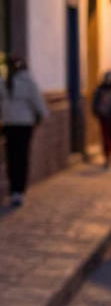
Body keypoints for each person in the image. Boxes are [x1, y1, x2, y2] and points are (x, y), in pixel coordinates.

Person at [0, 55, 48, 207]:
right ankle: (19, 190)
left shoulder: (4, 82)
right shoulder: (28, 82)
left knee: (11, 157)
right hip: (24, 125)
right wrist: (42, 116)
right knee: (22, 156)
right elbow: (38, 102)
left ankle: (14, 188)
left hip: (9, 124)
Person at [92, 70, 111, 168]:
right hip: (104, 117)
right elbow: (96, 102)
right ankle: (108, 157)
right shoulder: (100, 90)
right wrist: (97, 112)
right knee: (105, 138)